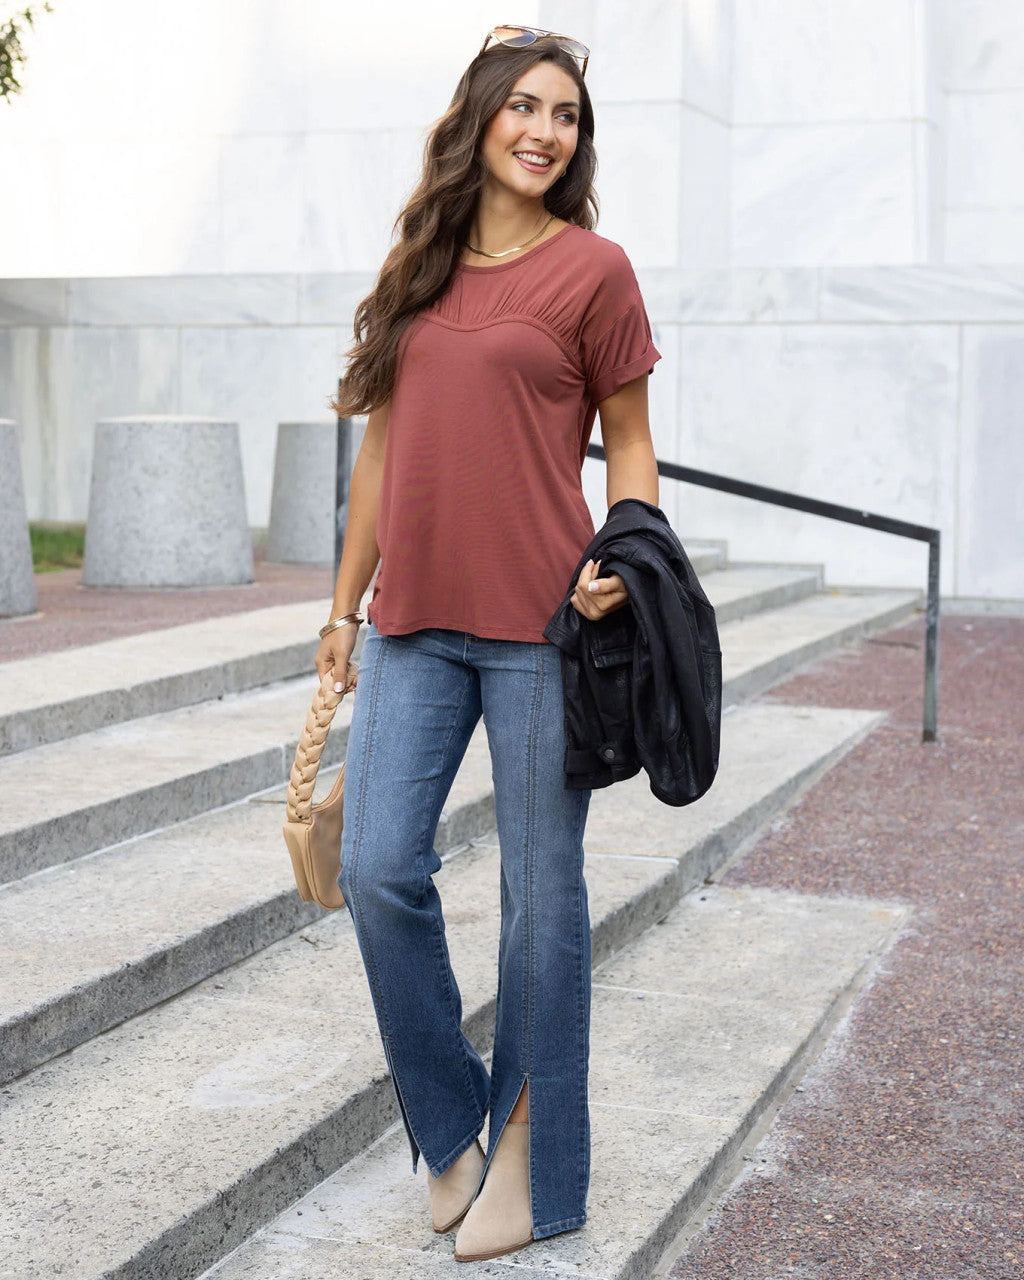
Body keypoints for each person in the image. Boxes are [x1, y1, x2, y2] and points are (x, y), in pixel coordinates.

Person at [315, 22, 662, 1264]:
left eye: (564, 114)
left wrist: (627, 553)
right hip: (411, 625)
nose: (542, 130)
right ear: (479, 119)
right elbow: (378, 454)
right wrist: (341, 612)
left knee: (538, 899)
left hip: (541, 624)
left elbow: (628, 440)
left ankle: (529, 1158)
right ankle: (451, 1123)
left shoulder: (595, 271)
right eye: (522, 105)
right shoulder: (421, 264)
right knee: (375, 869)